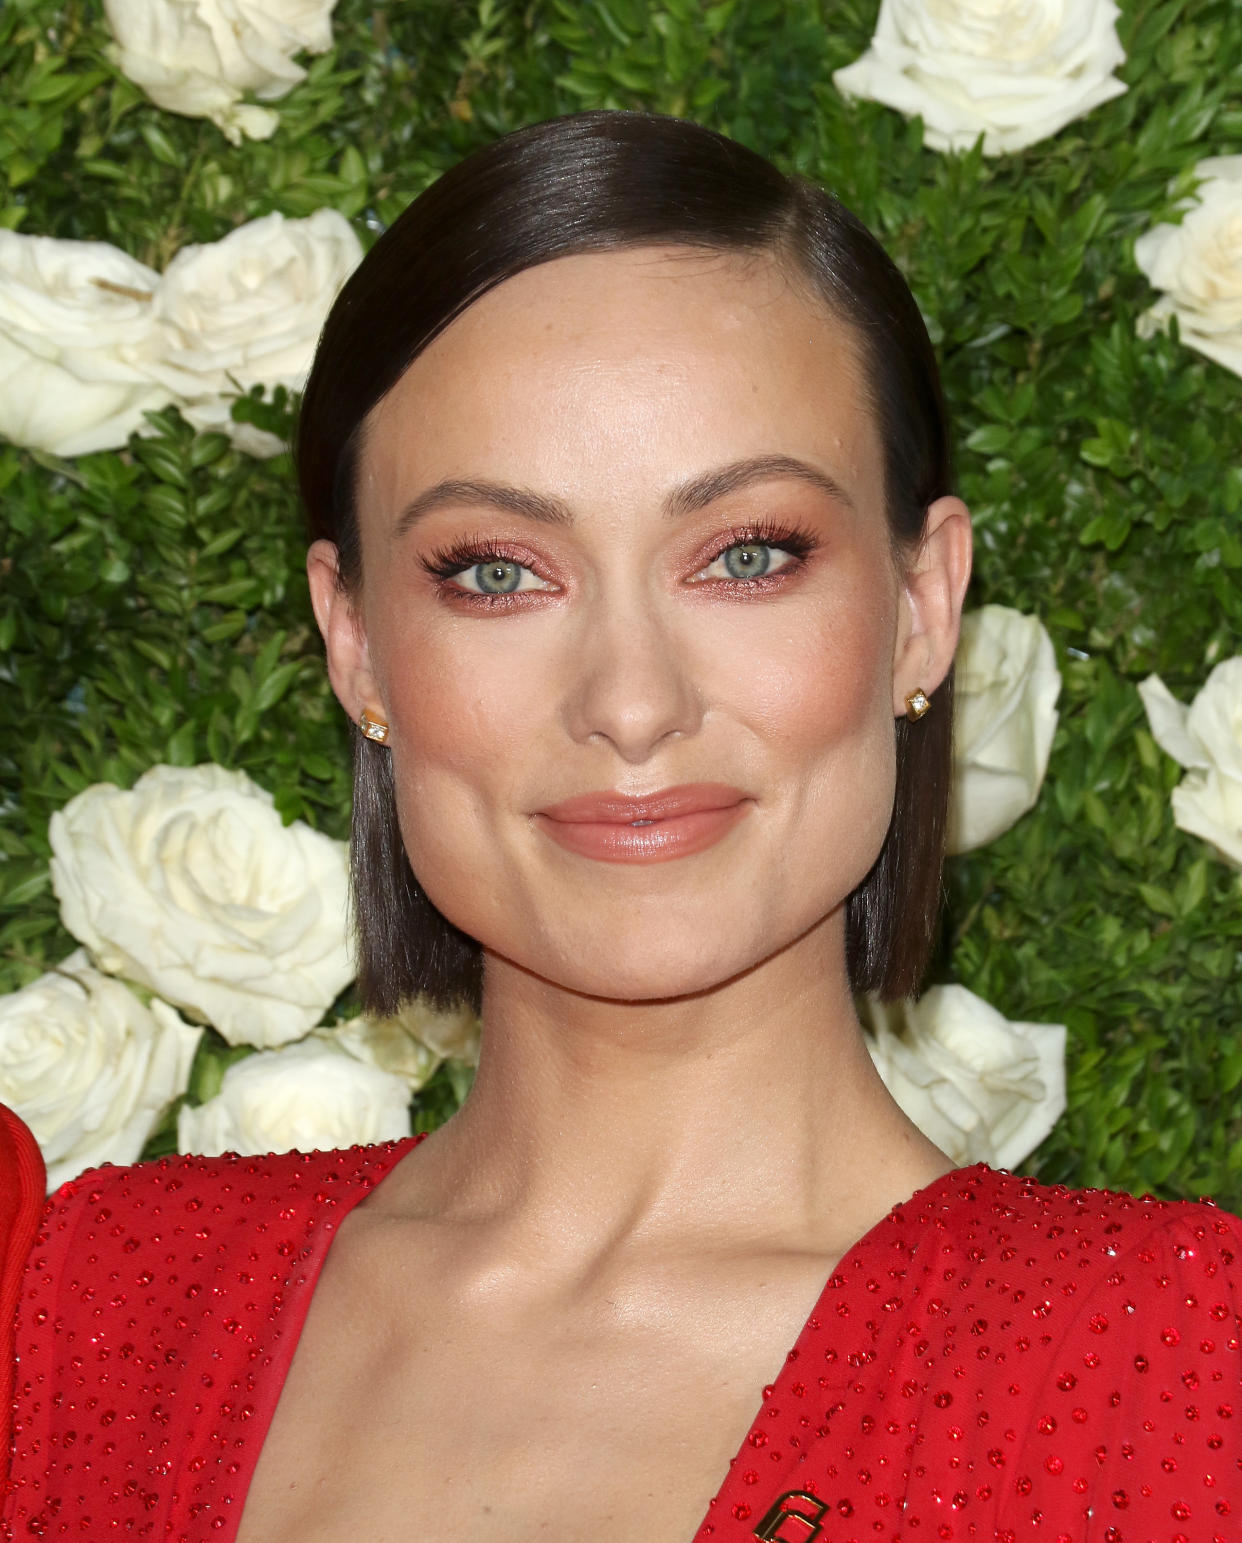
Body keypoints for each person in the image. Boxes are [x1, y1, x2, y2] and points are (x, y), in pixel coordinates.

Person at [2, 109, 1239, 1543]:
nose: (631, 703)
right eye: (495, 574)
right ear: (352, 644)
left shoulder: (1170, 1367)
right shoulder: (89, 1310)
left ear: (919, 608)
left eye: (747, 555)